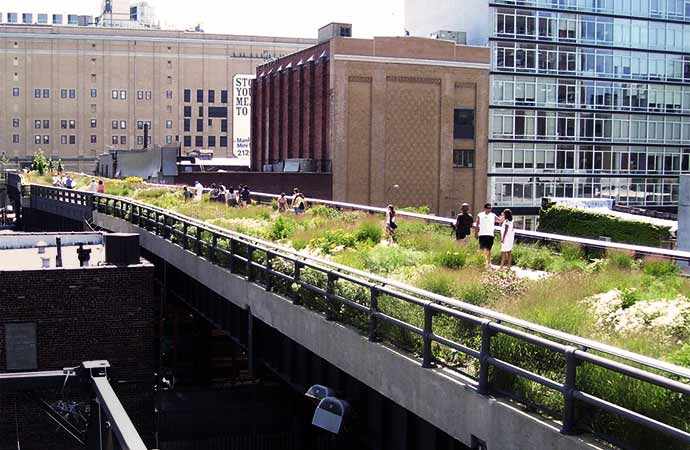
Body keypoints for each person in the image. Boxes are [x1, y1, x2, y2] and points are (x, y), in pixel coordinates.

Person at [474, 203, 497, 269]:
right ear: (484, 208)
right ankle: (481, 261)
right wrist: (476, 233)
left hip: (490, 234)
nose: (489, 209)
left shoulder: (493, 215)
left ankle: (489, 263)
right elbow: (477, 224)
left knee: (489, 249)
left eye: (490, 208)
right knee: (482, 248)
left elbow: (499, 220)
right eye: (488, 208)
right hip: (482, 234)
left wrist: (505, 216)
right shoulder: (480, 215)